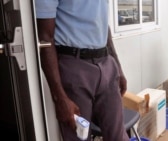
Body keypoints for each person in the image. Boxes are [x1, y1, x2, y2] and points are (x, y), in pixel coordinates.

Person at [35, 1, 129, 141]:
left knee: (118, 136)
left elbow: (102, 23)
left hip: (106, 62)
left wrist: (117, 65)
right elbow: (45, 38)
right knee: (79, 136)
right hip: (74, 67)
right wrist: (59, 97)